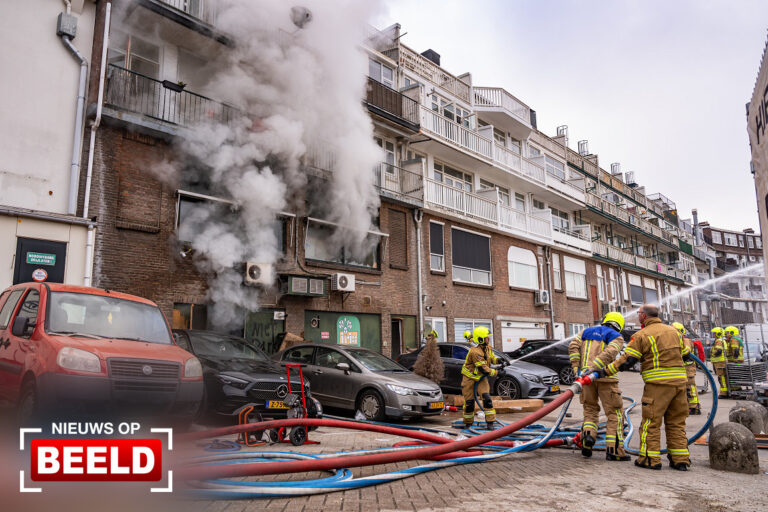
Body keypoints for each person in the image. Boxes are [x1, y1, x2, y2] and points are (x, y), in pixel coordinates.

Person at [589, 304, 691, 471]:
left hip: (658, 386)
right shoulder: (674, 332)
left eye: (638, 313)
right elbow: (686, 355)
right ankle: (680, 460)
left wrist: (604, 371)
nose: (637, 315)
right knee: (677, 423)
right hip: (680, 384)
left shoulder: (642, 335)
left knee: (651, 423)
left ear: (644, 316)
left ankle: (650, 459)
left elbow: (626, 360)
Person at [569, 312, 630, 461]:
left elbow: (573, 347)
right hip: (607, 379)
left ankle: (587, 444)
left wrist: (577, 370)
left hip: (586, 380)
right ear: (619, 324)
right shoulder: (616, 336)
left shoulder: (586, 331)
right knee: (615, 414)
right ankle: (614, 452)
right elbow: (610, 353)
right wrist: (595, 368)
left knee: (590, 411)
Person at [460, 326, 503, 429]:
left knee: (487, 398)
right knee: (469, 402)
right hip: (469, 378)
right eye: (487, 338)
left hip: (481, 378)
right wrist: (497, 373)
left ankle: (490, 422)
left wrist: (499, 361)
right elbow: (483, 368)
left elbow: (491, 358)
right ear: (480, 339)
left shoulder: (487, 347)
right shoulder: (475, 352)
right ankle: (468, 423)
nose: (489, 339)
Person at [673, 322, 700, 415]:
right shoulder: (679, 340)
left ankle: (694, 407)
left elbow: (685, 353)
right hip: (683, 368)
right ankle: (690, 406)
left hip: (688, 368)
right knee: (685, 388)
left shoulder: (686, 341)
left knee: (690, 387)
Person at [710, 327, 729, 398]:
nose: (713, 334)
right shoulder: (720, 340)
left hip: (720, 362)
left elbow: (719, 351)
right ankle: (724, 391)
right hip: (719, 362)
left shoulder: (719, 341)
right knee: (722, 377)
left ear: (718, 333)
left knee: (722, 377)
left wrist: (712, 354)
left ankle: (724, 393)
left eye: (714, 333)